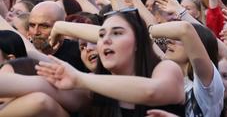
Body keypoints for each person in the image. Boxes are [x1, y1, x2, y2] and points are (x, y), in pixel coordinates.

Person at [36, 9, 185, 116]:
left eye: (117, 33)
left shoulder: (165, 68)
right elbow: (38, 92)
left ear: (139, 42)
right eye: (100, 35)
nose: (105, 40)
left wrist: (61, 27)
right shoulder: (93, 88)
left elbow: (152, 92)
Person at [28, 1, 86, 71]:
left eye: (44, 26)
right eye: (32, 25)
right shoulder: (24, 53)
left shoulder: (79, 53)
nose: (35, 32)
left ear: (60, 27)